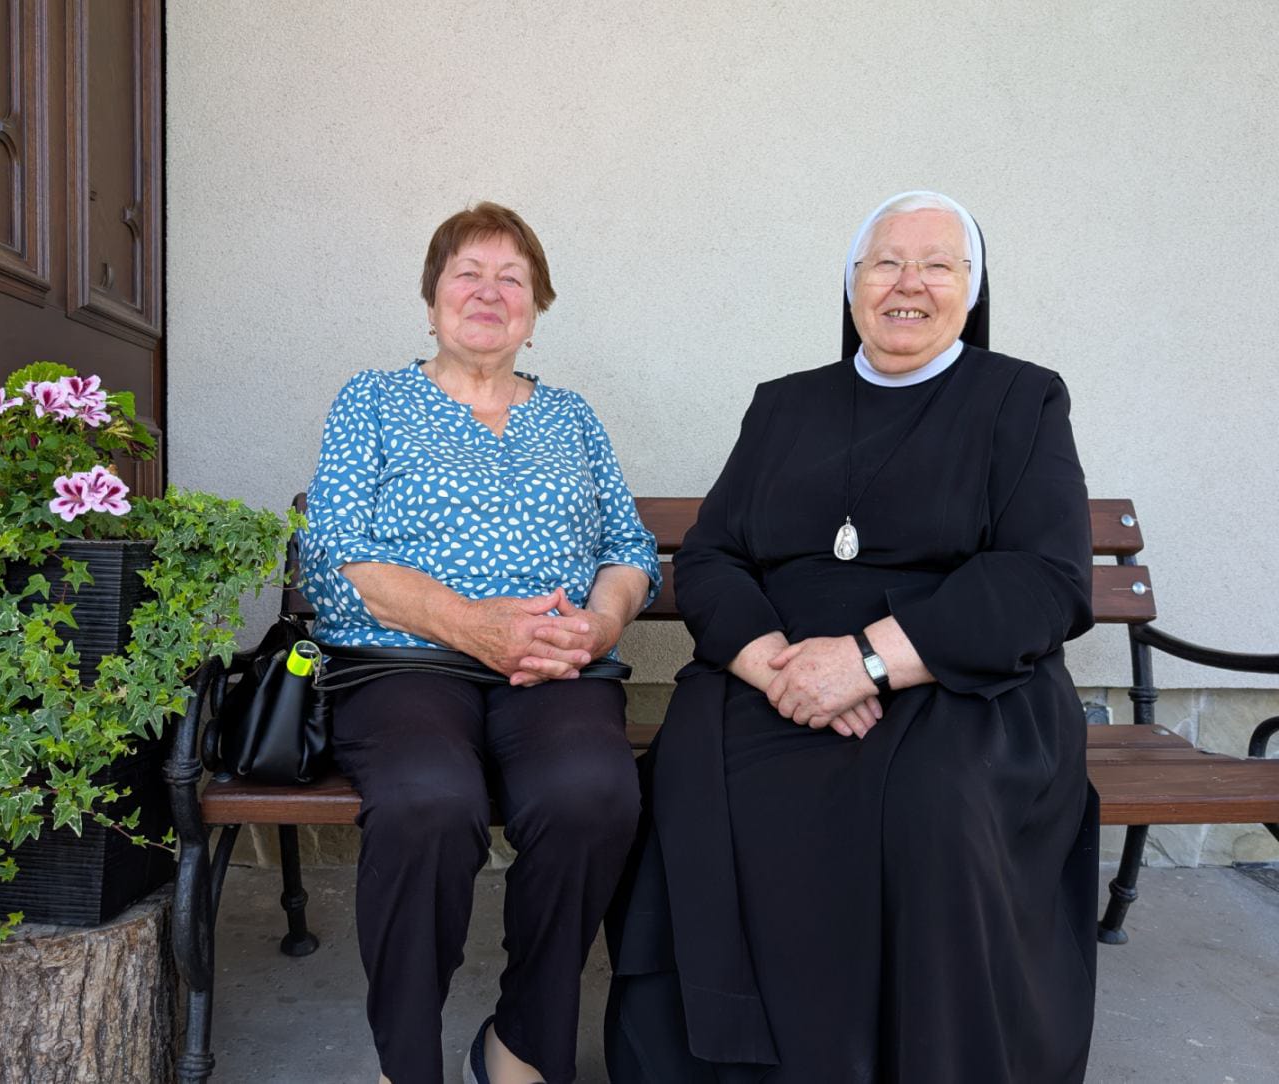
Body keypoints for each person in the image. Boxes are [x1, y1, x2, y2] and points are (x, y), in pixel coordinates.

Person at [605, 191, 1098, 1083]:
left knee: (930, 806)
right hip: (778, 669)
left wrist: (867, 661)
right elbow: (712, 555)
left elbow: (1044, 578)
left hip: (957, 678)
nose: (908, 283)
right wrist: (776, 668)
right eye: (885, 263)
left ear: (971, 288)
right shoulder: (784, 406)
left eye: (937, 264)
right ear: (852, 283)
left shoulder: (1020, 399)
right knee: (694, 777)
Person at [298, 201, 660, 1084]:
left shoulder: (571, 418)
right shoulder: (373, 399)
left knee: (592, 795)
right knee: (427, 802)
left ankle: (521, 1044)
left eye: (512, 279)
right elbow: (336, 552)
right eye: (468, 274)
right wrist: (471, 625)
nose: (489, 293)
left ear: (535, 311)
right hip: (403, 661)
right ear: (432, 300)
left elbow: (630, 549)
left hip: (554, 665)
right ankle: (408, 1064)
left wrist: (601, 623)